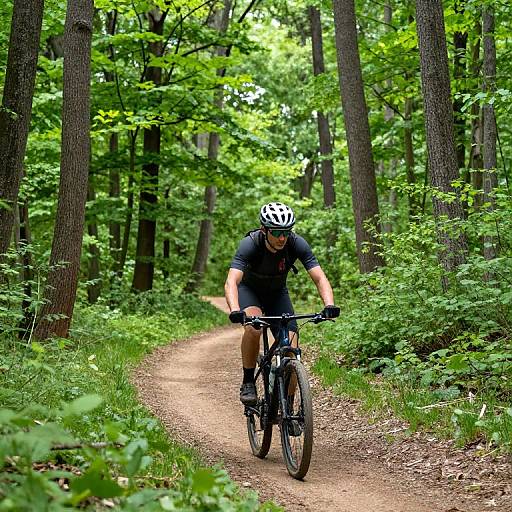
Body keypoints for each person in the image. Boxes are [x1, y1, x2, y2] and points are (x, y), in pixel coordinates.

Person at [224, 202, 340, 405]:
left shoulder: (296, 243)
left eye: (286, 232)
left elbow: (320, 277)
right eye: (276, 232)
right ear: (264, 230)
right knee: (253, 329)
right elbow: (232, 281)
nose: (282, 237)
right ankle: (248, 381)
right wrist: (235, 310)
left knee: (292, 352)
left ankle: (290, 407)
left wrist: (329, 305)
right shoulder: (250, 244)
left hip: (278, 294)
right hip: (250, 292)